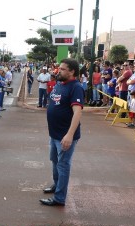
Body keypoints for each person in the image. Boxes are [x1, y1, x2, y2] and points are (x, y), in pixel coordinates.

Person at [40, 58, 84, 206]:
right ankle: (56, 185)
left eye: (63, 69)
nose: (59, 71)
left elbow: (77, 112)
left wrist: (69, 135)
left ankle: (59, 198)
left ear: (72, 71)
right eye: (59, 68)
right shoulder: (59, 83)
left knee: (63, 165)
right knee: (55, 161)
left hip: (65, 136)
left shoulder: (76, 87)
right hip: (54, 134)